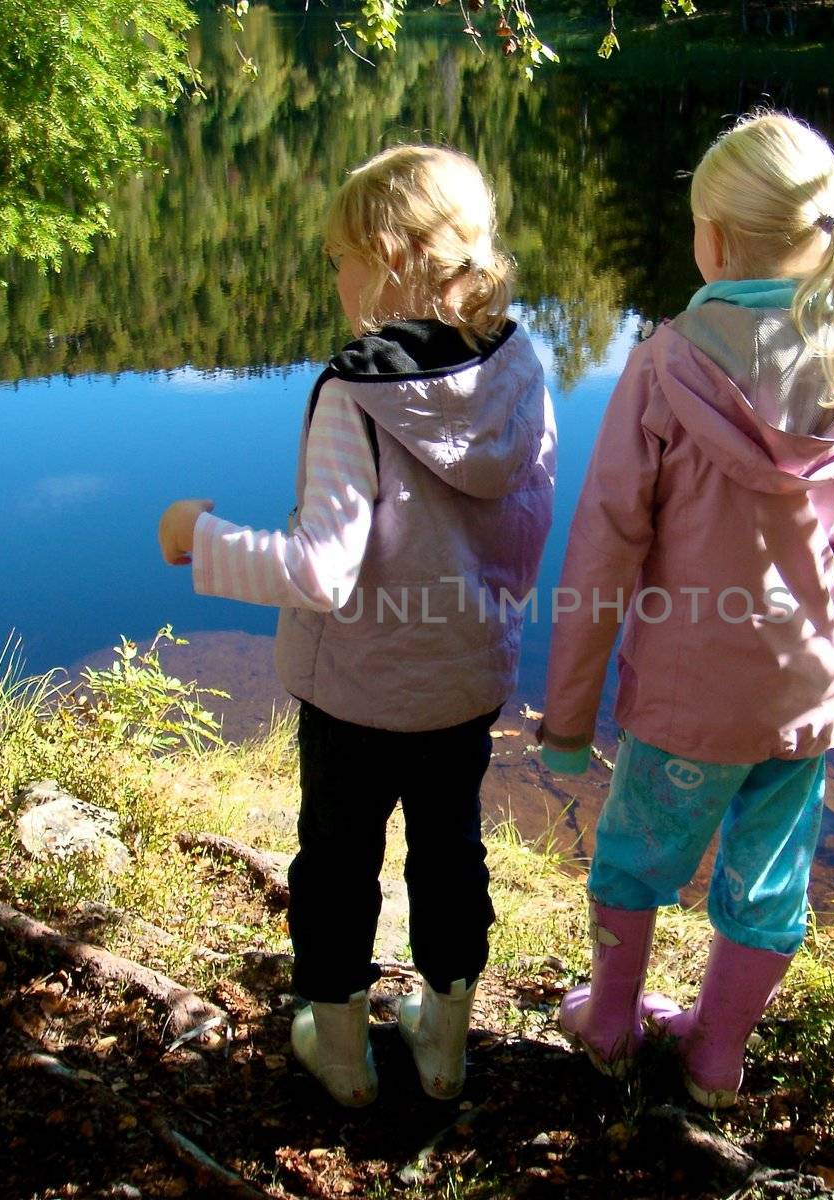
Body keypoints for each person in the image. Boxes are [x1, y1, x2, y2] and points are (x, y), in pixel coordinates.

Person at [159, 144, 555, 1107]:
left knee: (338, 864)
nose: (335, 276)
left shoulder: (355, 394)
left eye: (340, 257)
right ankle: (444, 1044)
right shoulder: (516, 364)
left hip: (357, 694)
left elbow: (316, 572)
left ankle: (341, 1054)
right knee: (451, 853)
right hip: (465, 680)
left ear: (387, 256)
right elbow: (532, 517)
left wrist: (195, 538)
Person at [537, 112, 834, 1108]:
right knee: (769, 878)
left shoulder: (664, 365)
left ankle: (610, 1026)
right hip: (799, 697)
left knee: (633, 855)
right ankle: (714, 1060)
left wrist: (568, 716)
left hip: (685, 700)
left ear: (711, 239)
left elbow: (603, 546)